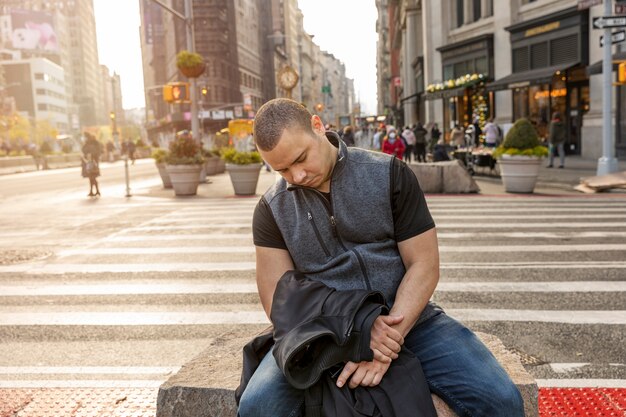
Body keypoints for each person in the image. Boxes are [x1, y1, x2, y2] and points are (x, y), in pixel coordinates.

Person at [238, 98, 523, 417]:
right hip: (320, 333)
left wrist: (388, 339)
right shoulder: (271, 209)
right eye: (282, 170)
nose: (298, 175)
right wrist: (356, 332)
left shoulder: (389, 174)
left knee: (502, 401)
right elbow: (277, 297)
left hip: (409, 319)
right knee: (256, 407)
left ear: (318, 126)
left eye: (301, 158)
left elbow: (424, 264)